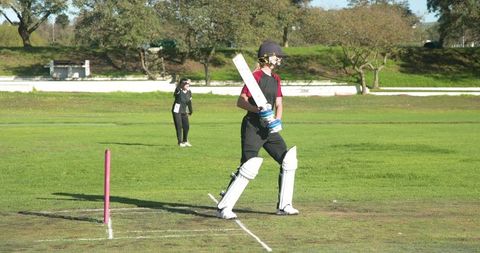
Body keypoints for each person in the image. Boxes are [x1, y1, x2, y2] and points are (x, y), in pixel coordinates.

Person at [216, 41, 299, 219]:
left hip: (269, 128)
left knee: (288, 161)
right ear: (267, 57)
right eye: (277, 56)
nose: (280, 59)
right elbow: (241, 101)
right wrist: (258, 110)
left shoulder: (276, 79)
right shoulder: (255, 77)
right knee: (248, 166)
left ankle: (284, 205)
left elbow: (279, 102)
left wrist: (278, 120)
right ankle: (225, 207)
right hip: (253, 126)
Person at [172, 78, 193, 147]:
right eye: (186, 84)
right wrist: (185, 81)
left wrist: (190, 111)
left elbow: (189, 102)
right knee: (179, 126)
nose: (188, 85)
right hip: (177, 111)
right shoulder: (178, 90)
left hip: (184, 111)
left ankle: (185, 141)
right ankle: (180, 142)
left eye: (188, 84)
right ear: (182, 84)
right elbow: (178, 87)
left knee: (186, 126)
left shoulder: (189, 92)